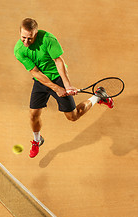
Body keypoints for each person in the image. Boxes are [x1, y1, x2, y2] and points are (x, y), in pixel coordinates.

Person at [14, 18, 114, 158]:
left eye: (29, 38)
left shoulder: (48, 39)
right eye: (23, 37)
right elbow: (35, 72)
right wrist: (56, 89)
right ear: (19, 32)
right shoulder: (19, 50)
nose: (26, 42)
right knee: (33, 114)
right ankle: (37, 140)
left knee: (73, 116)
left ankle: (98, 96)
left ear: (36, 33)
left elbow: (58, 61)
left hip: (58, 76)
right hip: (41, 80)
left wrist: (66, 85)